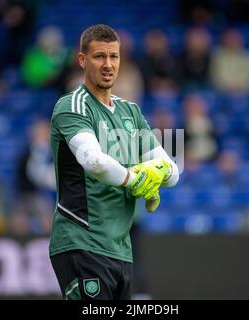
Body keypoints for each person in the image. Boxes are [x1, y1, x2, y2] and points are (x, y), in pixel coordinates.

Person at [49, 24, 179, 300]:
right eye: (99, 56)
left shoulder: (130, 111)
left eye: (114, 56)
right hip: (82, 242)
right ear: (82, 60)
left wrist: (155, 172)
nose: (108, 64)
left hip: (121, 248)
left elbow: (172, 169)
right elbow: (93, 161)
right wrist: (136, 179)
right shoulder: (72, 106)